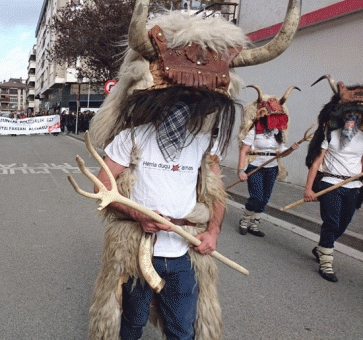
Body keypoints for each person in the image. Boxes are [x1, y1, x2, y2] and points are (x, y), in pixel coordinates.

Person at [85, 2, 299, 339]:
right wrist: (137, 215)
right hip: (135, 251)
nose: (180, 109)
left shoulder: (203, 145)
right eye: (174, 99)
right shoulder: (131, 138)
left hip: (181, 255)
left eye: (191, 101)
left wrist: (212, 232)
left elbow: (214, 195)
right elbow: (102, 187)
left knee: (182, 329)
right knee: (130, 326)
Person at [304, 75, 363, 283]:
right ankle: (326, 263)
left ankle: (322, 247)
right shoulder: (330, 132)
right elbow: (316, 162)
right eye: (349, 115)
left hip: (353, 185)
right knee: (331, 221)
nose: (351, 120)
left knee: (343, 223)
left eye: (356, 115)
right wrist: (309, 189)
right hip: (330, 183)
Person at [237, 85, 300, 237]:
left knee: (265, 198)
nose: (275, 120)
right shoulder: (254, 130)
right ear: (264, 116)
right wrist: (241, 170)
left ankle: (254, 225)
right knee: (256, 196)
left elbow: (281, 153)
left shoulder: (278, 132)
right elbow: (244, 150)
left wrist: (290, 149)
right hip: (255, 167)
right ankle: (244, 220)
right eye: (272, 117)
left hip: (271, 168)